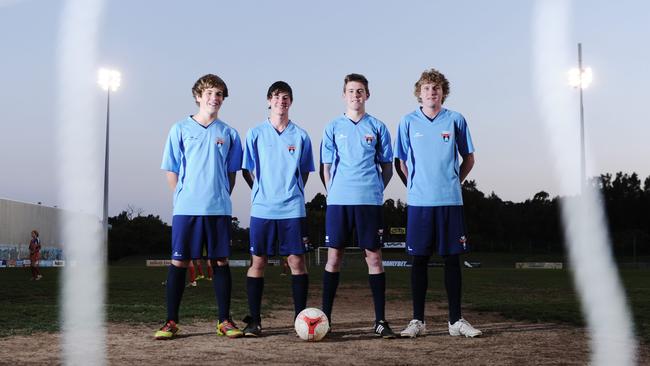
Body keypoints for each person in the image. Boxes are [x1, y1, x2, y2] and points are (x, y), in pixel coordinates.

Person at [155, 74, 244, 340]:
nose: (214, 98)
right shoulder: (179, 129)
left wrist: (217, 196)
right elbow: (171, 170)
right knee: (180, 260)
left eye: (218, 94)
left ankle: (224, 321)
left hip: (218, 208)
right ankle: (171, 321)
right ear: (198, 96)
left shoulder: (229, 133)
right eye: (209, 93)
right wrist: (185, 196)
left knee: (220, 261)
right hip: (187, 209)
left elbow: (231, 175)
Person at [394, 68, 482, 338]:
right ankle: (417, 321)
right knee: (418, 260)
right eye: (426, 88)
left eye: (436, 88)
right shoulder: (407, 121)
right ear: (419, 94)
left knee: (452, 259)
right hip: (420, 202)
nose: (431, 92)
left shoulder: (455, 119)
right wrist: (415, 185)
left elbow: (468, 158)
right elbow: (400, 162)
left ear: (443, 92)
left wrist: (456, 181)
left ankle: (455, 321)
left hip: (450, 201)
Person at [320, 73, 396, 338]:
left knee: (373, 257)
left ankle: (380, 321)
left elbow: (387, 168)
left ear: (367, 95)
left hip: (369, 202)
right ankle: (324, 319)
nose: (356, 95)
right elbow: (326, 168)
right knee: (334, 257)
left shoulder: (377, 127)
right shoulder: (332, 127)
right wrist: (334, 193)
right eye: (351, 91)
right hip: (339, 201)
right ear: (344, 95)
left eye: (360, 90)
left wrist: (375, 190)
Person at [241, 81, 315, 337]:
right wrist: (263, 191)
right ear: (268, 101)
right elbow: (246, 169)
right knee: (258, 261)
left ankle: (301, 320)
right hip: (262, 208)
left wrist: (290, 191)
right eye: (276, 96)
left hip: (292, 208)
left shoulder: (301, 135)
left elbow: (304, 172)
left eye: (285, 97)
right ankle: (254, 321)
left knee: (297, 261)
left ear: (290, 102)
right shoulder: (255, 133)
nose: (281, 101)